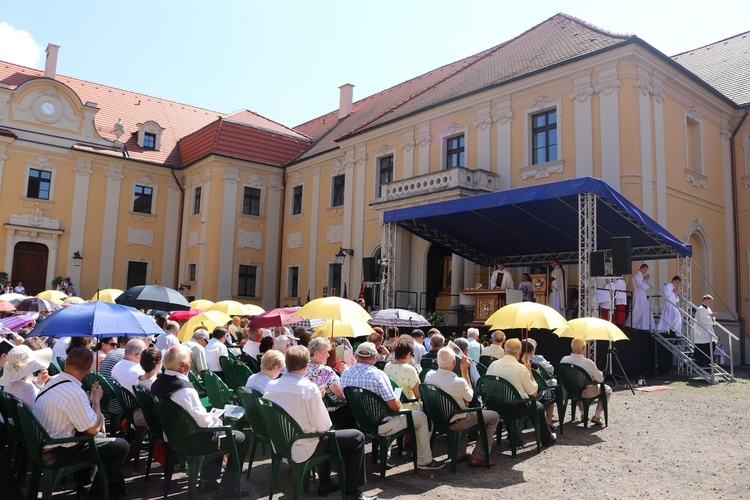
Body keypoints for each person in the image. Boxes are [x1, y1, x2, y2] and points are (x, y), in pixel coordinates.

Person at [264, 345, 375, 500]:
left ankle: (327, 482)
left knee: (324, 436)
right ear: (305, 366)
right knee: (356, 437)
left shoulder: (271, 385)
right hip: (304, 445)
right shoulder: (309, 389)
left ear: (287, 364)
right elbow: (324, 428)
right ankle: (352, 492)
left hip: (280, 443)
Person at [151, 346, 249, 496]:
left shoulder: (158, 383)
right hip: (192, 442)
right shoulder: (184, 390)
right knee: (241, 438)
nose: (191, 364)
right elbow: (203, 423)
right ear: (183, 365)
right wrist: (219, 421)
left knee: (217, 432)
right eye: (190, 361)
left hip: (174, 437)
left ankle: (207, 482)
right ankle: (227, 489)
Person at [33, 348, 129, 499]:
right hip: (55, 453)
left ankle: (85, 489)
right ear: (88, 369)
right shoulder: (73, 392)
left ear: (66, 363)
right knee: (121, 445)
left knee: (96, 441)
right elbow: (92, 430)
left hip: (41, 446)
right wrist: (96, 401)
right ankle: (94, 495)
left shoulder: (53, 382)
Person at [341, 342, 444, 471]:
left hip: (361, 422)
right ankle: (424, 460)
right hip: (382, 423)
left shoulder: (346, 373)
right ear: (374, 358)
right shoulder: (378, 376)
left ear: (356, 356)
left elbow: (345, 397)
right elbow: (394, 406)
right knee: (422, 417)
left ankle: (388, 452)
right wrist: (399, 403)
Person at [424, 347, 499, 467]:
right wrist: (464, 371)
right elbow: (470, 397)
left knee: (462, 411)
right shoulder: (459, 382)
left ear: (437, 361)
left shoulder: (428, 375)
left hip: (437, 418)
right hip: (455, 420)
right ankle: (478, 456)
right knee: (494, 416)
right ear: (454, 363)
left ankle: (460, 453)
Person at [486, 338, 557, 445]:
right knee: (538, 407)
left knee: (509, 400)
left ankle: (514, 437)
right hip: (513, 408)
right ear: (519, 353)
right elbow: (533, 393)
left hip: (494, 405)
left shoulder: (493, 365)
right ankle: (547, 438)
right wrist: (528, 370)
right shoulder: (521, 368)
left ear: (504, 350)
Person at [560, 338, 612, 426]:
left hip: (570, 391)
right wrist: (599, 372)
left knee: (578, 384)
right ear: (584, 348)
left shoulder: (564, 360)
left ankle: (583, 414)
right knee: (607, 389)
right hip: (586, 392)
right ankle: (597, 416)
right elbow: (600, 379)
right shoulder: (588, 363)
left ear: (571, 347)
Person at [306, 337, 356, 427]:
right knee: (357, 409)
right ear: (316, 353)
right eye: (326, 352)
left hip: (310, 411)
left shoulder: (303, 367)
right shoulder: (325, 371)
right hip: (327, 412)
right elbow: (342, 395)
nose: (328, 355)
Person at [384, 341, 421, 411]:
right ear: (409, 354)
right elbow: (419, 395)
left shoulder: (387, 366)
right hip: (406, 408)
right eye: (412, 355)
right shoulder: (409, 369)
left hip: (390, 407)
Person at [628, 264, 654, 330]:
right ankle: (634, 324)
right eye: (645, 270)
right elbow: (641, 286)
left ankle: (642, 325)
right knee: (638, 309)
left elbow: (643, 284)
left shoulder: (640, 276)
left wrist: (645, 279)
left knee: (644, 309)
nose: (645, 271)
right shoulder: (637, 276)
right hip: (639, 294)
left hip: (642, 294)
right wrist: (645, 279)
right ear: (642, 268)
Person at [694, 294, 717, 367]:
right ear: (705, 301)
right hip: (702, 332)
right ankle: (705, 362)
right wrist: (710, 317)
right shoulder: (700, 309)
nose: (711, 303)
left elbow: (710, 319)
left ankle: (709, 361)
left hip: (708, 331)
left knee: (712, 345)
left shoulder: (708, 309)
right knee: (706, 347)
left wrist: (712, 317)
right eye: (710, 301)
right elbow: (702, 320)